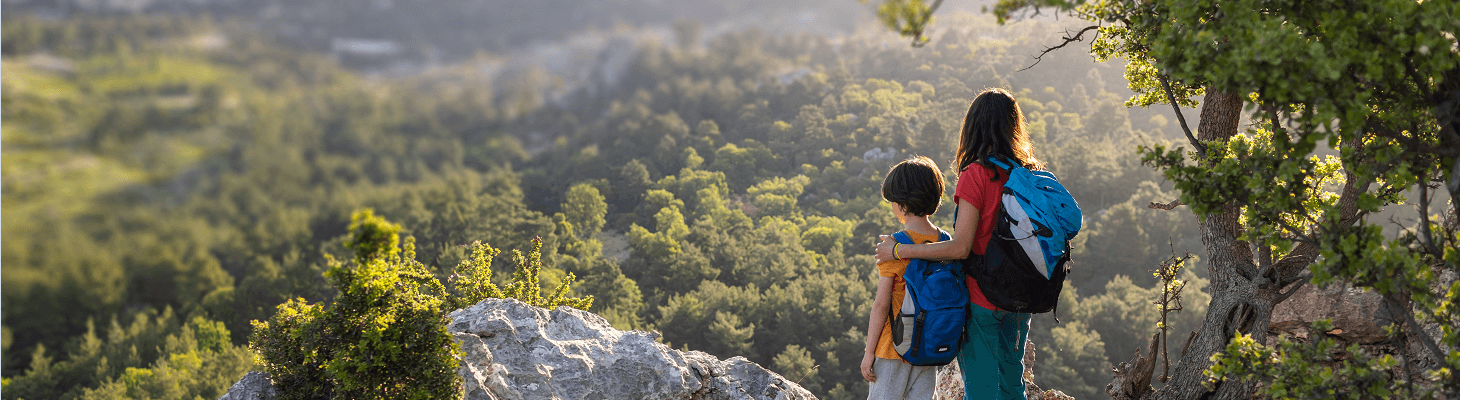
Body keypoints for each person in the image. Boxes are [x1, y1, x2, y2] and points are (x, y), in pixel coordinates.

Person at [873, 88, 1043, 400]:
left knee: (981, 389)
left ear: (972, 126)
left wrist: (900, 251)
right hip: (1022, 297)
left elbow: (960, 247)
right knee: (1011, 385)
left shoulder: (977, 174)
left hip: (984, 297)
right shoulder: (1027, 173)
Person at [861, 155, 947, 400]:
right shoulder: (945, 243)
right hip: (929, 350)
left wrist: (869, 353)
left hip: (892, 349)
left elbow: (881, 305)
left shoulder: (895, 246)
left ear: (902, 204)